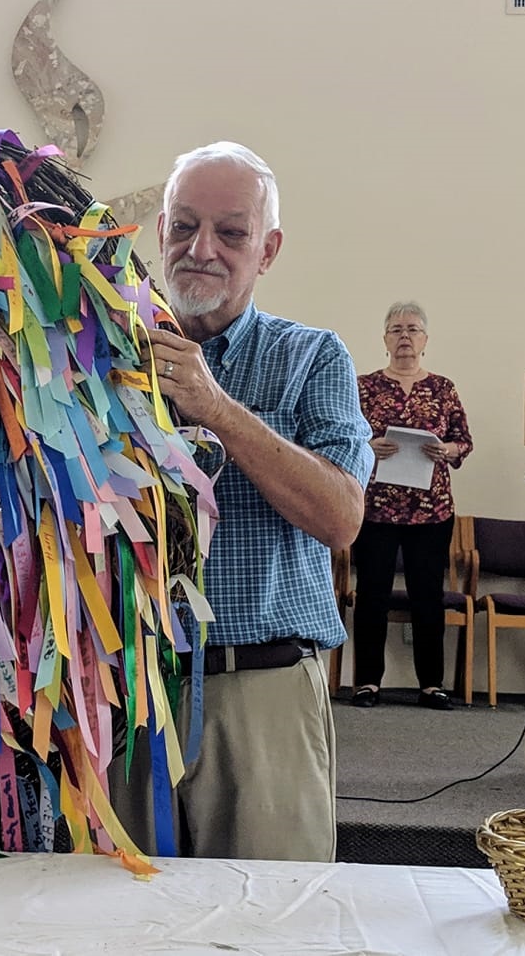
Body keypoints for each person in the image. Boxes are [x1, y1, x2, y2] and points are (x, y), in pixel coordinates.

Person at [112, 142, 374, 862]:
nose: (201, 249)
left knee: (271, 919)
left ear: (268, 249)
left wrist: (217, 408)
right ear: (159, 228)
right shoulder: (101, 356)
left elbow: (340, 516)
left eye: (231, 232)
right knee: (110, 918)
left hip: (260, 692)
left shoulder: (313, 358)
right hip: (129, 692)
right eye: (184, 226)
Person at [349, 302, 472, 711]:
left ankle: (431, 684)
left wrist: (447, 449)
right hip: (376, 508)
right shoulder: (363, 386)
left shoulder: (442, 388)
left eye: (413, 329)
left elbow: (463, 442)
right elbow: (343, 437)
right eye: (396, 329)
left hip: (431, 510)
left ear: (425, 340)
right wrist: (369, 446)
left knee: (427, 596)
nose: (405, 336)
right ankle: (367, 682)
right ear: (384, 339)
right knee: (372, 594)